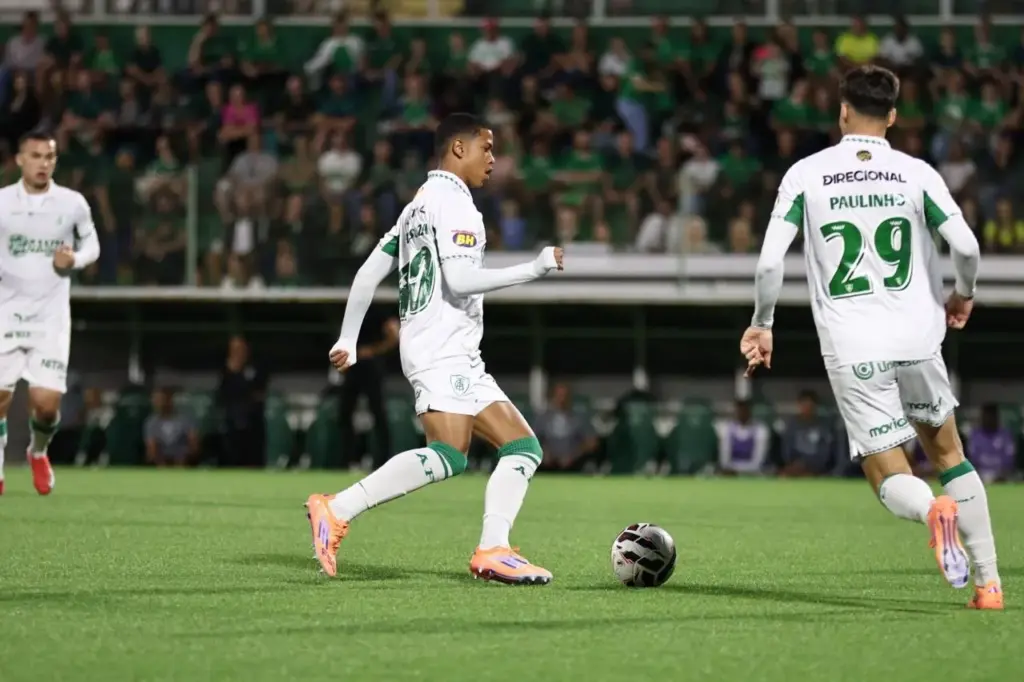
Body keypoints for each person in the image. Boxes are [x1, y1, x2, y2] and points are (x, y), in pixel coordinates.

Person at [739, 66, 1002, 610]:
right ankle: (990, 586)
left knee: (887, 473)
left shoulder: (807, 174)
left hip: (855, 347)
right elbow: (968, 247)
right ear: (893, 115)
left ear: (841, 111)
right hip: (918, 340)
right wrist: (964, 293)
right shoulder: (917, 174)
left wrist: (762, 322)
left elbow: (769, 262)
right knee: (951, 454)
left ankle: (933, 513)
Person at [305, 113, 563, 584]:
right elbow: (462, 280)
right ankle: (338, 508)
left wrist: (347, 336)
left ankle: (493, 548)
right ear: (458, 149)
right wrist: (534, 268)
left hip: (447, 349)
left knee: (522, 446)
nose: (493, 159)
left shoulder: (418, 205)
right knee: (449, 454)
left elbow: (368, 272)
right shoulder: (457, 207)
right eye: (486, 148)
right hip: (441, 348)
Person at [0, 128, 100, 495]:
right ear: (20, 160)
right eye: (36, 156)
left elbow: (93, 245)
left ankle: (37, 452)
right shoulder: (2, 202)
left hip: (50, 317)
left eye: (49, 157)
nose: (43, 163)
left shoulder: (72, 203)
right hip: (5, 312)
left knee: (45, 406)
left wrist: (74, 258)